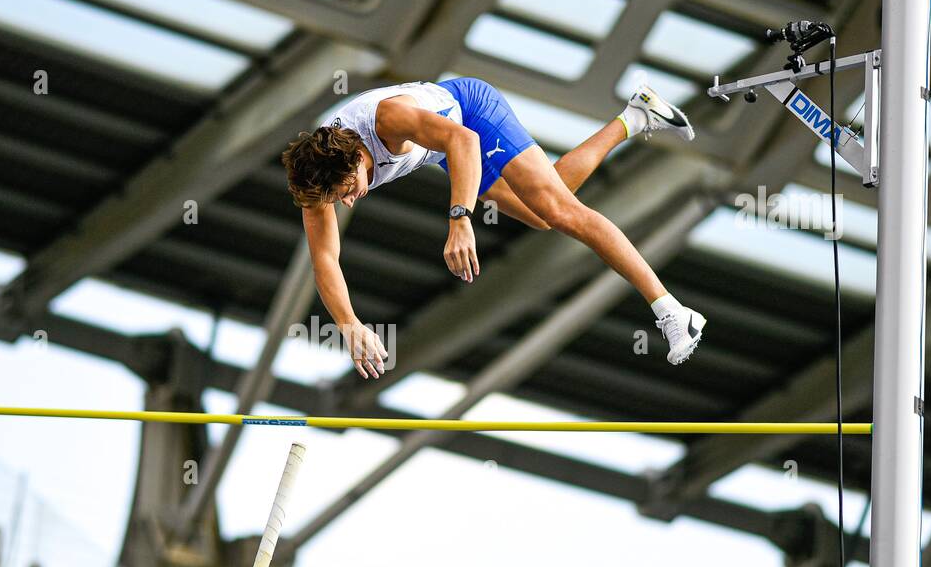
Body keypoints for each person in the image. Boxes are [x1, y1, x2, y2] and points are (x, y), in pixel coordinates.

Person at [281, 78, 706, 377]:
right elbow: (324, 259)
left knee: (560, 209)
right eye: (341, 199)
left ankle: (672, 312)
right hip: (442, 147)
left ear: (355, 158)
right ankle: (636, 116)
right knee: (541, 213)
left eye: (348, 189)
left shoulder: (387, 121)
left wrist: (460, 217)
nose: (349, 200)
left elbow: (463, 140)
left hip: (470, 112)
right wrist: (350, 324)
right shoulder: (318, 181)